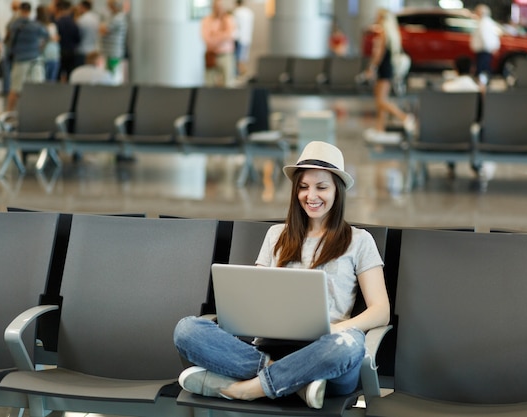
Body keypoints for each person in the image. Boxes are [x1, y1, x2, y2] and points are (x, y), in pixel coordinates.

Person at [173, 141, 390, 410]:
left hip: (326, 354)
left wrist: (336, 329)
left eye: (321, 187)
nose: (311, 195)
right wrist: (244, 312)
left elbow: (381, 310)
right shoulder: (276, 235)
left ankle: (247, 389)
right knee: (187, 330)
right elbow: (256, 296)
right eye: (303, 187)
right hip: (270, 347)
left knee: (350, 346)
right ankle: (296, 384)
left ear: (338, 190)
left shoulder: (359, 240)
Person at [363, 8, 413, 141]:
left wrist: (372, 68)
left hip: (383, 69)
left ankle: (404, 117)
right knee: (380, 101)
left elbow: (378, 54)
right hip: (387, 68)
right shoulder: (392, 33)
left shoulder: (383, 33)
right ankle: (380, 129)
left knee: (381, 101)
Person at [442, 56, 482, 179]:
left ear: (456, 70)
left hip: (451, 131)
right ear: (472, 70)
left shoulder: (447, 88)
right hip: (472, 131)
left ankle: (451, 166)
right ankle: (476, 166)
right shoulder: (477, 89)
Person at [6, 2, 48, 112]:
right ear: (30, 11)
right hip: (35, 58)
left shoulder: (14, 24)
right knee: (36, 87)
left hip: (20, 59)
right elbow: (46, 36)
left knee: (15, 88)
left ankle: (9, 113)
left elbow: (9, 39)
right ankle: (35, 111)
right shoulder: (36, 25)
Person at [202, 0, 236, 87]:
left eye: (220, 6)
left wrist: (214, 35)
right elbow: (206, 38)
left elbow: (229, 35)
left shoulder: (228, 19)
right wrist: (221, 36)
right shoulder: (206, 20)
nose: (218, 8)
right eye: (216, 6)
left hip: (225, 55)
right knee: (209, 84)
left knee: (227, 83)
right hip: (211, 55)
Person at [470, 4, 500, 84]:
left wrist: (490, 48)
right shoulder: (485, 22)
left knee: (483, 69)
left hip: (484, 50)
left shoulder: (485, 23)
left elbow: (486, 38)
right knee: (483, 68)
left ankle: (483, 86)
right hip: (484, 50)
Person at [100, 0, 128, 84]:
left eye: (109, 5)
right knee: (108, 73)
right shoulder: (112, 16)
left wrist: (102, 28)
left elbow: (104, 30)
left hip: (114, 51)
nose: (108, 8)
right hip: (109, 51)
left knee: (113, 76)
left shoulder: (118, 17)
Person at [54, 0, 81, 82]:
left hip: (60, 50)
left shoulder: (57, 22)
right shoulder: (74, 23)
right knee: (70, 74)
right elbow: (78, 39)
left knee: (58, 74)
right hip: (71, 51)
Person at [36, 5, 60, 82]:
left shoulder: (38, 27)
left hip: (44, 55)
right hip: (52, 55)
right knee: (51, 81)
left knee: (42, 80)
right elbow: (56, 38)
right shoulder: (51, 26)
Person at [75, 0, 101, 68]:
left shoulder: (82, 20)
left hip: (83, 50)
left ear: (83, 7)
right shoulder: (96, 18)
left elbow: (78, 35)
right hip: (93, 49)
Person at [232, 0, 254, 78]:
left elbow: (234, 26)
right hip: (247, 38)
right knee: (242, 59)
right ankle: (242, 75)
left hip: (239, 39)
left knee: (238, 60)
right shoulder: (249, 12)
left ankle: (241, 75)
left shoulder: (237, 12)